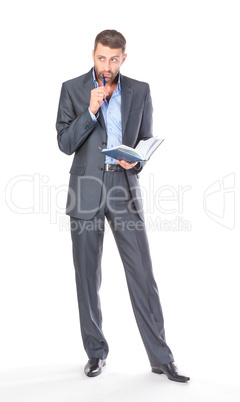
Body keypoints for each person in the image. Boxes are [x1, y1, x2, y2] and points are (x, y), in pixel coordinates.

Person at [56, 29, 190, 382]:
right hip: (85, 188)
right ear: (93, 55)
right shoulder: (72, 88)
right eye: (102, 57)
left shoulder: (139, 90)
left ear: (124, 58)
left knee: (142, 273)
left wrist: (137, 161)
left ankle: (161, 357)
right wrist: (90, 110)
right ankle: (96, 353)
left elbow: (145, 138)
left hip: (124, 187)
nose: (107, 64)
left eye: (114, 59)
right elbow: (65, 143)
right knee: (87, 276)